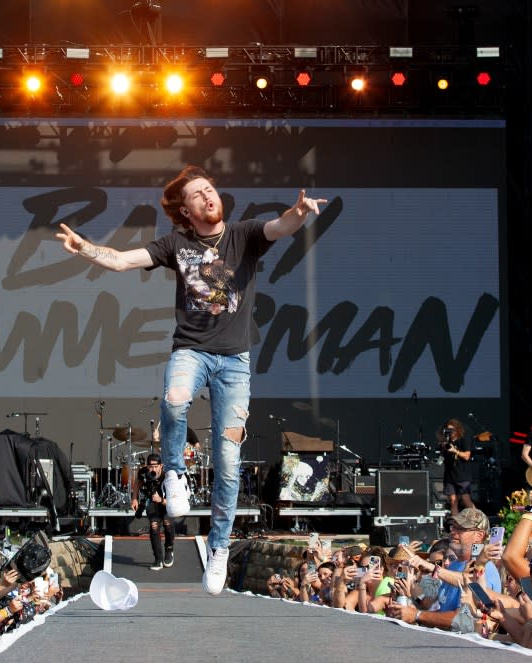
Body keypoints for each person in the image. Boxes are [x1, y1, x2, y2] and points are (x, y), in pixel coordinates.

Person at [57, 165, 326, 594]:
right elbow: (125, 261)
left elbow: (281, 227)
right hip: (192, 351)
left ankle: (218, 549)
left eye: (210, 189)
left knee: (228, 459)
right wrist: (86, 249)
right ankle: (176, 475)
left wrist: (299, 212)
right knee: (176, 396)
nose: (208, 196)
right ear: (186, 210)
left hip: (234, 361)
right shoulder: (176, 244)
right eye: (198, 194)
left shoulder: (244, 234)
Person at [130, 453, 175, 571]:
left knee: (167, 523)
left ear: (161, 466)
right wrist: (134, 498)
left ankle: (169, 549)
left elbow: (174, 499)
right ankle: (158, 559)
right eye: (150, 466)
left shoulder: (168, 476)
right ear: (147, 466)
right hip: (152, 502)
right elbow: (137, 482)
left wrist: (161, 500)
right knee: (154, 526)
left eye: (156, 466)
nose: (153, 469)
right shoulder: (143, 472)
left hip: (167, 502)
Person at [439, 418, 473, 516]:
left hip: (462, 474)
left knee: (465, 499)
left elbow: (467, 456)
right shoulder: (447, 442)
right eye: (448, 430)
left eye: (452, 430)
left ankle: (478, 522)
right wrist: (438, 460)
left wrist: (455, 451)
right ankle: (456, 526)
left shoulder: (463, 439)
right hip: (450, 475)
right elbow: (442, 457)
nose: (450, 432)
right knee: (453, 501)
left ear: (457, 430)